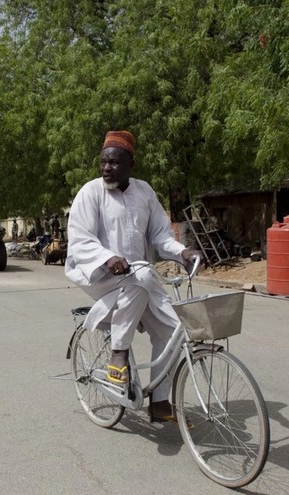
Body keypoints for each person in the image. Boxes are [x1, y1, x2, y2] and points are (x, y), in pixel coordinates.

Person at [64, 130, 201, 423]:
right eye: (103, 162)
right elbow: (79, 238)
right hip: (98, 274)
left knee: (172, 329)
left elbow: (160, 235)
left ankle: (160, 403)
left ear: (130, 165)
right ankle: (119, 352)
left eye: (113, 163)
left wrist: (181, 252)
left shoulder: (144, 192)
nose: (106, 169)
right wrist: (107, 257)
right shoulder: (90, 193)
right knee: (139, 280)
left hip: (140, 275)